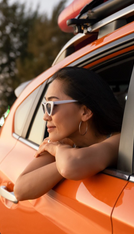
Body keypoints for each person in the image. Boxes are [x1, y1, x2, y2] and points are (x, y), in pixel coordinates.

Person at [14, 66, 123, 201]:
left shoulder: (118, 141)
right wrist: (63, 155)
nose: (45, 117)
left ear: (85, 112)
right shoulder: (65, 141)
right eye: (45, 106)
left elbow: (70, 165)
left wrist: (58, 150)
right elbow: (20, 190)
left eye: (52, 106)